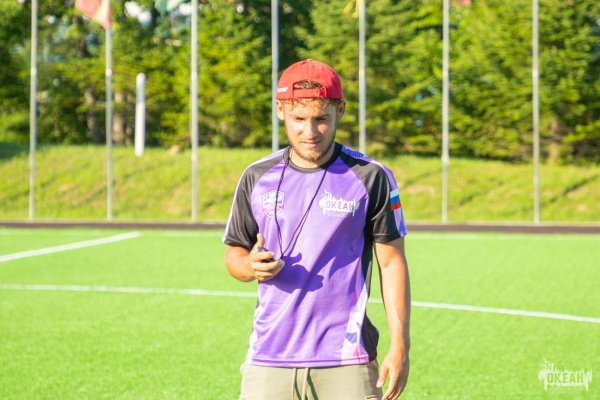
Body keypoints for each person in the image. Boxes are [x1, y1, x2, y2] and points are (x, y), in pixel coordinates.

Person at [223, 59, 410, 400]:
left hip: (347, 362)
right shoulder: (256, 176)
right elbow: (234, 252)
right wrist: (249, 266)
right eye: (299, 119)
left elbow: (391, 262)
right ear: (280, 110)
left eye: (321, 119)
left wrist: (400, 346)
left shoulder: (371, 176)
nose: (309, 133)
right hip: (268, 359)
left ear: (341, 110)